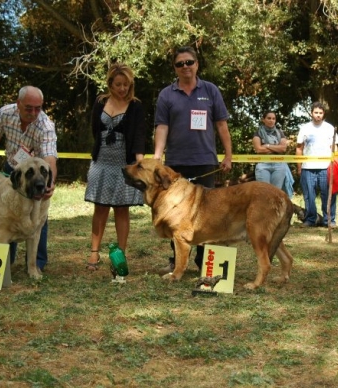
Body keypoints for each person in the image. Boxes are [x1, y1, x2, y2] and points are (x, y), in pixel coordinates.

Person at [153, 46, 233, 274]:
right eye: (180, 64)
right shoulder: (166, 95)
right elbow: (162, 127)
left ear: (197, 64)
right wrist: (158, 157)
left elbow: (221, 125)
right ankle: (177, 260)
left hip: (205, 161)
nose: (185, 67)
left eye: (189, 62)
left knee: (207, 215)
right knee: (174, 214)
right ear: (175, 68)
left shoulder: (210, 90)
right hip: (175, 165)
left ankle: (205, 262)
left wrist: (228, 155)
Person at [0, 86, 58, 271]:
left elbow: (50, 158)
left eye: (38, 108)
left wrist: (49, 183)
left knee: (38, 217)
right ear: (18, 104)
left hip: (39, 174)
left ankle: (37, 264)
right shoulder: (5, 113)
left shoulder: (45, 125)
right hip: (12, 169)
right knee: (8, 214)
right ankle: (5, 262)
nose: (33, 113)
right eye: (29, 108)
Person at [84, 63, 146, 270]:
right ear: (110, 83)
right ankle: (94, 253)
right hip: (101, 162)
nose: (122, 89)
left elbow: (139, 135)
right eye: (118, 84)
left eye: (126, 85)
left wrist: (139, 162)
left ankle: (120, 255)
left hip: (124, 164)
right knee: (100, 208)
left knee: (121, 210)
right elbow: (95, 130)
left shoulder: (136, 106)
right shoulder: (100, 102)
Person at [295, 101, 338, 228]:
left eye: (320, 113)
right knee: (309, 195)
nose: (318, 115)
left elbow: (334, 148)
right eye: (316, 112)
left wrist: (336, 166)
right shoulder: (304, 128)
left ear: (323, 114)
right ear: (311, 113)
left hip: (326, 167)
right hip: (308, 168)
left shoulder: (329, 128)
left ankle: (329, 220)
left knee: (329, 195)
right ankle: (310, 219)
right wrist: (299, 166)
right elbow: (299, 148)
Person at [252, 111, 293, 197]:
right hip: (263, 165)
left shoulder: (280, 132)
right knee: (264, 193)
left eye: (273, 118)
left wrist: (267, 145)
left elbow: (283, 148)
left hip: (279, 165)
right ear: (264, 119)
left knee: (276, 193)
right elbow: (258, 149)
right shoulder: (258, 133)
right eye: (269, 118)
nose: (271, 120)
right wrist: (276, 148)